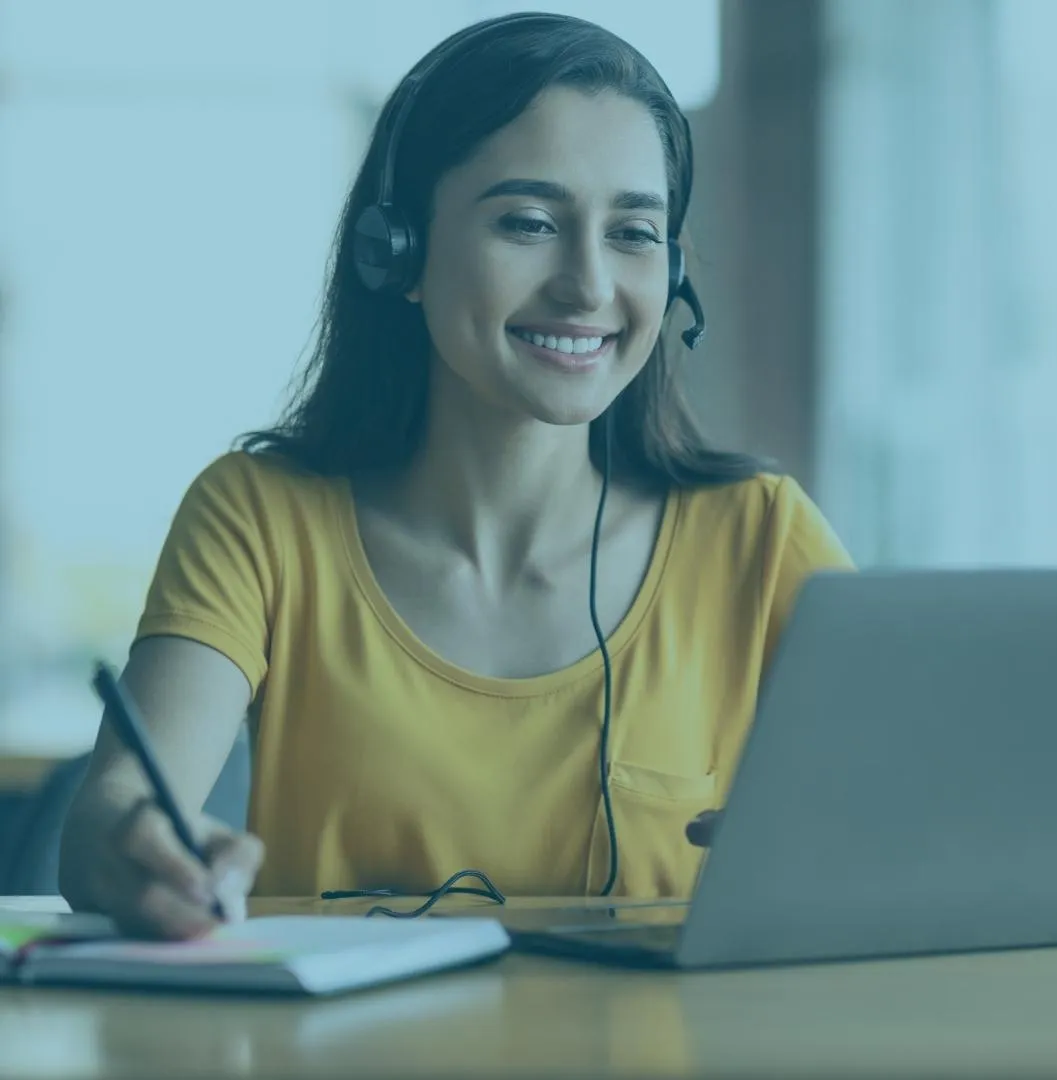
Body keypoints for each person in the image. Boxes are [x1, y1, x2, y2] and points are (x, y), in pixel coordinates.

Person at [58, 12, 853, 940]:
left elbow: (922, 802)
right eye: (528, 222)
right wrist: (143, 844)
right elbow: (112, 812)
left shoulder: (758, 536)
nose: (588, 285)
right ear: (394, 252)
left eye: (633, 231)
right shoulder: (260, 516)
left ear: (673, 271)